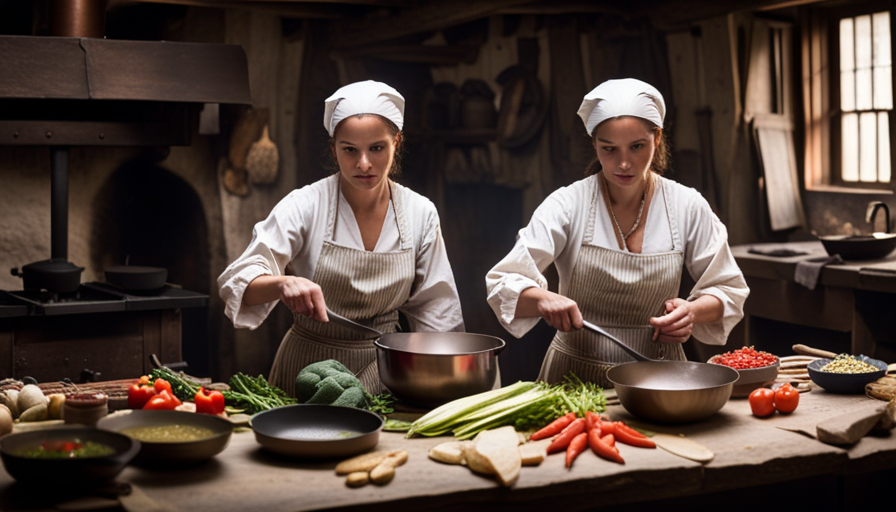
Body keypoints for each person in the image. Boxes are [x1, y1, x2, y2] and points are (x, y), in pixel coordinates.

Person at [485, 78, 749, 387]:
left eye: (637, 146)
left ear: (657, 137)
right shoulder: (568, 204)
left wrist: (692, 312)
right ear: (594, 144)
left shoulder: (686, 205)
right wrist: (543, 298)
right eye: (608, 149)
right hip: (573, 378)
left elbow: (728, 289)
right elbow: (503, 283)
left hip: (660, 378)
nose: (623, 163)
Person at [218, 80, 464, 395]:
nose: (364, 163)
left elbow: (437, 311)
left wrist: (442, 386)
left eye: (377, 148)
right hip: (306, 371)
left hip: (382, 373)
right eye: (350, 149)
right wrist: (280, 284)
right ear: (334, 148)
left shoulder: (420, 213)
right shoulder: (306, 204)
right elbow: (237, 283)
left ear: (396, 143)